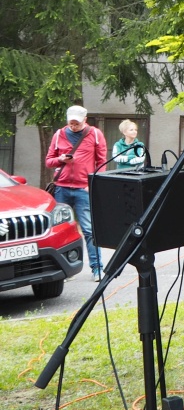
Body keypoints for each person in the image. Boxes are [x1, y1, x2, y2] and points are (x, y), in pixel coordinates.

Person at [45, 105, 107, 280]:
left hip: (83, 188)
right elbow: (49, 161)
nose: (73, 126)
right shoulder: (59, 135)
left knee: (88, 229)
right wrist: (60, 159)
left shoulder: (95, 134)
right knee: (60, 230)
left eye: (77, 123)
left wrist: (92, 184)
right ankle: (64, 270)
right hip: (62, 188)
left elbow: (102, 162)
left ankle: (97, 268)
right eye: (71, 123)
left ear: (85, 120)